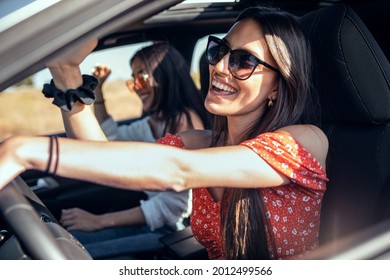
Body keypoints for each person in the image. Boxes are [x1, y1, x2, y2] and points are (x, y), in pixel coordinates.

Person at [0, 5, 329, 260]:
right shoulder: (200, 143)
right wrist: (65, 71)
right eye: (219, 51)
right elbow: (102, 154)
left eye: (243, 61)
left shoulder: (304, 142)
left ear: (278, 85)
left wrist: (22, 148)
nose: (219, 66)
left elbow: (175, 170)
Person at [58, 42, 210, 259]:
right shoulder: (154, 121)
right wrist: (98, 90)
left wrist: (98, 221)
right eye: (133, 80)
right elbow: (110, 140)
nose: (137, 86)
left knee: (80, 256)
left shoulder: (187, 125)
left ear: (165, 76)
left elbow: (173, 207)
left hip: (176, 232)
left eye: (142, 77)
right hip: (153, 221)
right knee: (71, 244)